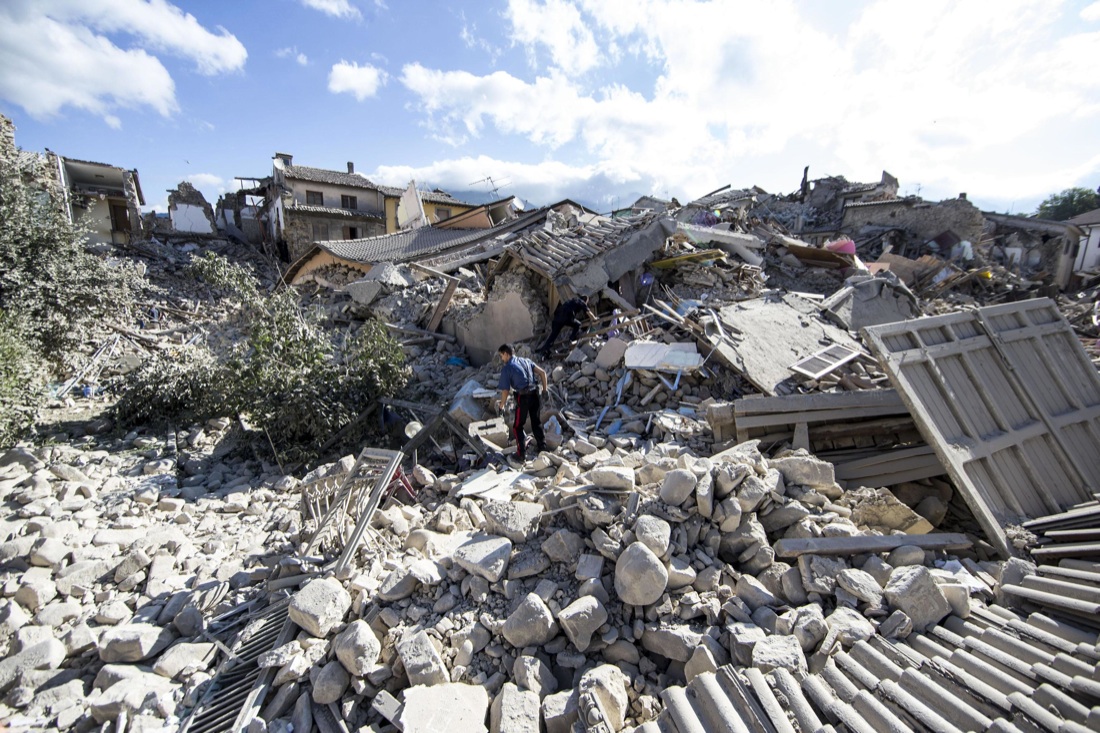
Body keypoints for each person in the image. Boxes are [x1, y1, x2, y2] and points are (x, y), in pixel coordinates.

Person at [497, 343, 548, 463]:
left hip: (523, 397)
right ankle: (543, 448)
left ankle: (521, 454)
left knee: (517, 426)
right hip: (535, 394)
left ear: (506, 353)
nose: (502, 359)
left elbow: (505, 391)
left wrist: (502, 405)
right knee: (536, 422)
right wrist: (545, 391)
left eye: (501, 356)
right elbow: (543, 373)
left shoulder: (507, 367)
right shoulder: (526, 361)